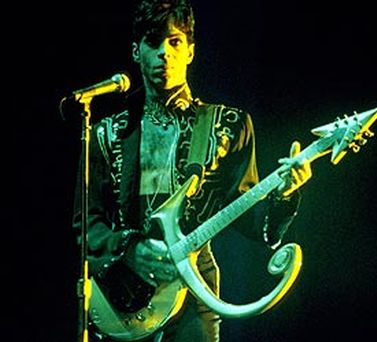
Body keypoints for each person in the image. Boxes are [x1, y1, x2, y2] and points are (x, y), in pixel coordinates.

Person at [72, 0, 312, 341]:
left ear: (190, 51)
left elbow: (252, 222)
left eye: (175, 42)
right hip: (120, 296)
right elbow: (86, 225)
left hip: (193, 290)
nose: (164, 54)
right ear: (136, 51)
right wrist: (129, 250)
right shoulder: (105, 133)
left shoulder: (226, 127)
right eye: (153, 43)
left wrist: (285, 194)